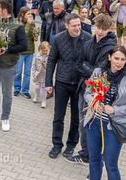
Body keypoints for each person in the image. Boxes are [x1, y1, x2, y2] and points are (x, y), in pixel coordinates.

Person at [76, 45, 126, 180]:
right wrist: (93, 100)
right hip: (94, 122)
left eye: (123, 59)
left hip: (113, 126)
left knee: (111, 164)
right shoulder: (99, 73)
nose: (119, 62)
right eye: (116, 58)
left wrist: (114, 110)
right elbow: (87, 92)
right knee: (94, 158)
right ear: (110, 57)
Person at [69, 14, 117, 164]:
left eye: (103, 29)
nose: (100, 31)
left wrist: (88, 69)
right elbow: (79, 64)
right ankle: (85, 154)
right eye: (98, 27)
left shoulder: (111, 48)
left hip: (98, 92)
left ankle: (93, 157)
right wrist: (91, 70)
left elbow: (101, 72)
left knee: (94, 125)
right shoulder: (89, 42)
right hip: (84, 88)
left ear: (109, 29)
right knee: (82, 123)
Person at [45, 13, 92, 159]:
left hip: (79, 85)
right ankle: (56, 144)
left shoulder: (88, 39)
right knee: (58, 116)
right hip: (62, 82)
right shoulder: (58, 39)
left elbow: (91, 62)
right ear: (66, 26)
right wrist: (48, 83)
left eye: (79, 25)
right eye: (74, 25)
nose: (77, 28)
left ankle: (71, 145)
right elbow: (51, 60)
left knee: (76, 118)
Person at [0, 0, 28, 132]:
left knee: (7, 93)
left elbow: (24, 46)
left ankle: (5, 118)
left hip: (8, 66)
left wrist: (7, 49)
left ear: (4, 10)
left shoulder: (17, 26)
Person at [14, 6, 35, 98]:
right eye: (28, 14)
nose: (30, 16)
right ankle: (17, 88)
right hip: (20, 51)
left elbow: (32, 35)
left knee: (27, 72)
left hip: (30, 51)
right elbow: (24, 34)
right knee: (18, 71)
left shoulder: (31, 23)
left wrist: (35, 36)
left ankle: (25, 90)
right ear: (23, 14)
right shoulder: (17, 23)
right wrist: (29, 24)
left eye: (31, 14)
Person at [31, 41, 51, 108]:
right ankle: (36, 95)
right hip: (38, 75)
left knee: (44, 89)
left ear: (49, 49)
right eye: (43, 50)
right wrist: (34, 73)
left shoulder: (50, 56)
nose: (45, 52)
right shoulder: (37, 56)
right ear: (40, 49)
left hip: (45, 75)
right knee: (37, 87)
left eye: (46, 50)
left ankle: (44, 101)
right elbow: (34, 65)